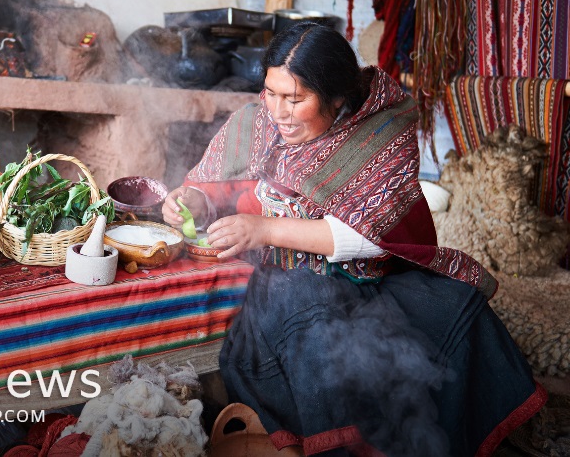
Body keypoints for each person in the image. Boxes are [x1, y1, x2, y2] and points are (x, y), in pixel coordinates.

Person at [162, 23, 545, 456]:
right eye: (271, 92)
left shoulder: (384, 131)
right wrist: (190, 200)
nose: (278, 111)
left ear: (337, 98)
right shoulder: (255, 124)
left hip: (371, 277)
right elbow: (216, 190)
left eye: (295, 99)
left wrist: (265, 228)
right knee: (311, 311)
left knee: (458, 308)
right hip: (288, 284)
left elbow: (371, 234)